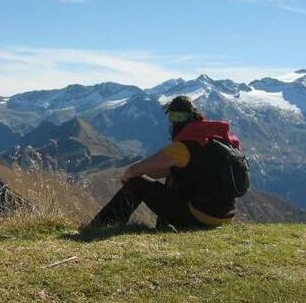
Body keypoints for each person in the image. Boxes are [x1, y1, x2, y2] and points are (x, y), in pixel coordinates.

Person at [86, 96, 244, 230]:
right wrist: (146, 176)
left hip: (200, 216)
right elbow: (169, 170)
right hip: (225, 216)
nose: (176, 121)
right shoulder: (211, 140)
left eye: (179, 117)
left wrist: (130, 177)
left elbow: (135, 170)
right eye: (173, 117)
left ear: (191, 117)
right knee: (174, 173)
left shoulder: (185, 146)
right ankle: (163, 227)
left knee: (137, 183)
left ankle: (101, 226)